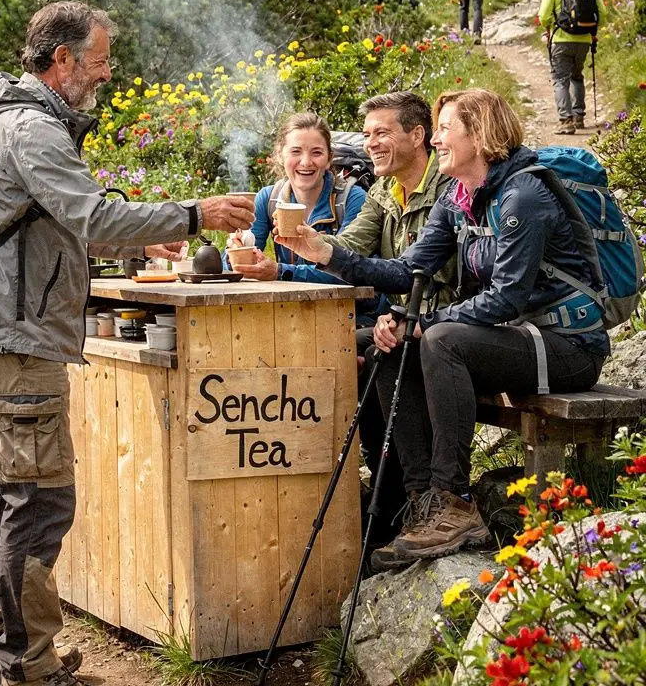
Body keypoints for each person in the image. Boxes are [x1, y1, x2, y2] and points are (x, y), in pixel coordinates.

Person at [0, 1, 254, 686]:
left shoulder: (12, 121)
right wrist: (192, 214)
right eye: (101, 59)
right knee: (41, 502)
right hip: (17, 340)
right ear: (63, 61)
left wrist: (134, 239)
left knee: (1, 490)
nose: (108, 73)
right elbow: (93, 218)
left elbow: (55, 223)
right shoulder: (33, 128)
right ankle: (31, 676)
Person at [275, 88, 609, 563]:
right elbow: (406, 269)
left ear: (481, 134)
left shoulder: (524, 196)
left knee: (439, 338)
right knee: (382, 343)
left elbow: (506, 298)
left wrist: (422, 321)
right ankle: (420, 504)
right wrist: (325, 253)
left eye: (446, 129)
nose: (436, 140)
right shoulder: (458, 197)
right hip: (513, 338)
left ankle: (455, 502)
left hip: (569, 347)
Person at [322, 93, 456, 552]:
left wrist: (404, 319)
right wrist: (301, 247)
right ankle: (387, 483)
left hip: (448, 324)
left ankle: (416, 495)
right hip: (408, 319)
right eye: (367, 135)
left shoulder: (448, 187)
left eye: (382, 133)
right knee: (340, 347)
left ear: (417, 136)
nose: (371, 144)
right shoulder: (384, 191)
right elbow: (351, 247)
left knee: (381, 351)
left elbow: (440, 276)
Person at [234, 112, 367, 282]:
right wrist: (236, 254)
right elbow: (239, 264)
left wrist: (281, 271)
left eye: (316, 153)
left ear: (329, 159)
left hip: (350, 307)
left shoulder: (352, 199)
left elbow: (350, 269)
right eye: (296, 151)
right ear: (281, 156)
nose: (306, 162)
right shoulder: (268, 198)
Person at [538, 0, 605, 135]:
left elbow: (543, 15)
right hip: (584, 40)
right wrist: (592, 33)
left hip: (560, 40)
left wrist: (551, 26)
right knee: (577, 75)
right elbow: (602, 12)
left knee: (560, 79)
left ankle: (566, 121)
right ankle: (579, 117)